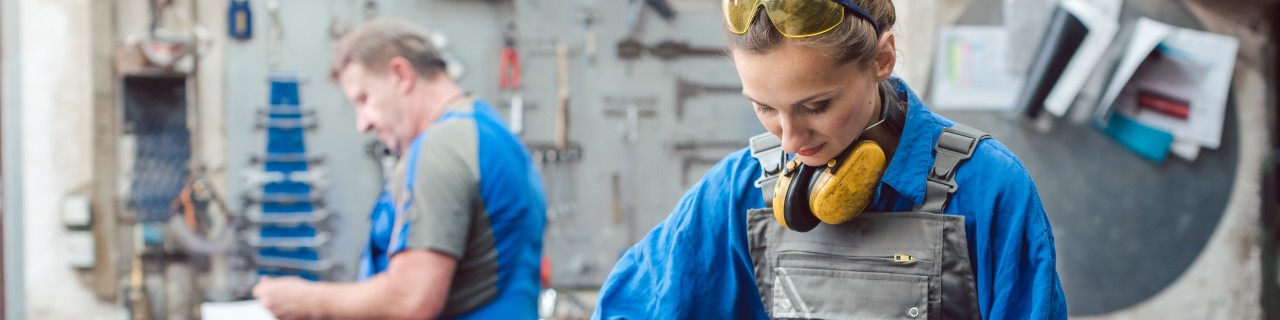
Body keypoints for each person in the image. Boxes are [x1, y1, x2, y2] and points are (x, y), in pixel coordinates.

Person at [593, 0, 1067, 318]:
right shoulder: (741, 191)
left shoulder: (986, 188)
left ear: (883, 59)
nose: (792, 138)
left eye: (816, 106)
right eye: (764, 108)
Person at [252, 18, 546, 320]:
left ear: (401, 75)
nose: (362, 123)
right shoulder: (493, 133)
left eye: (364, 99)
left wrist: (306, 300)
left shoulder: (440, 148)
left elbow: (411, 300)